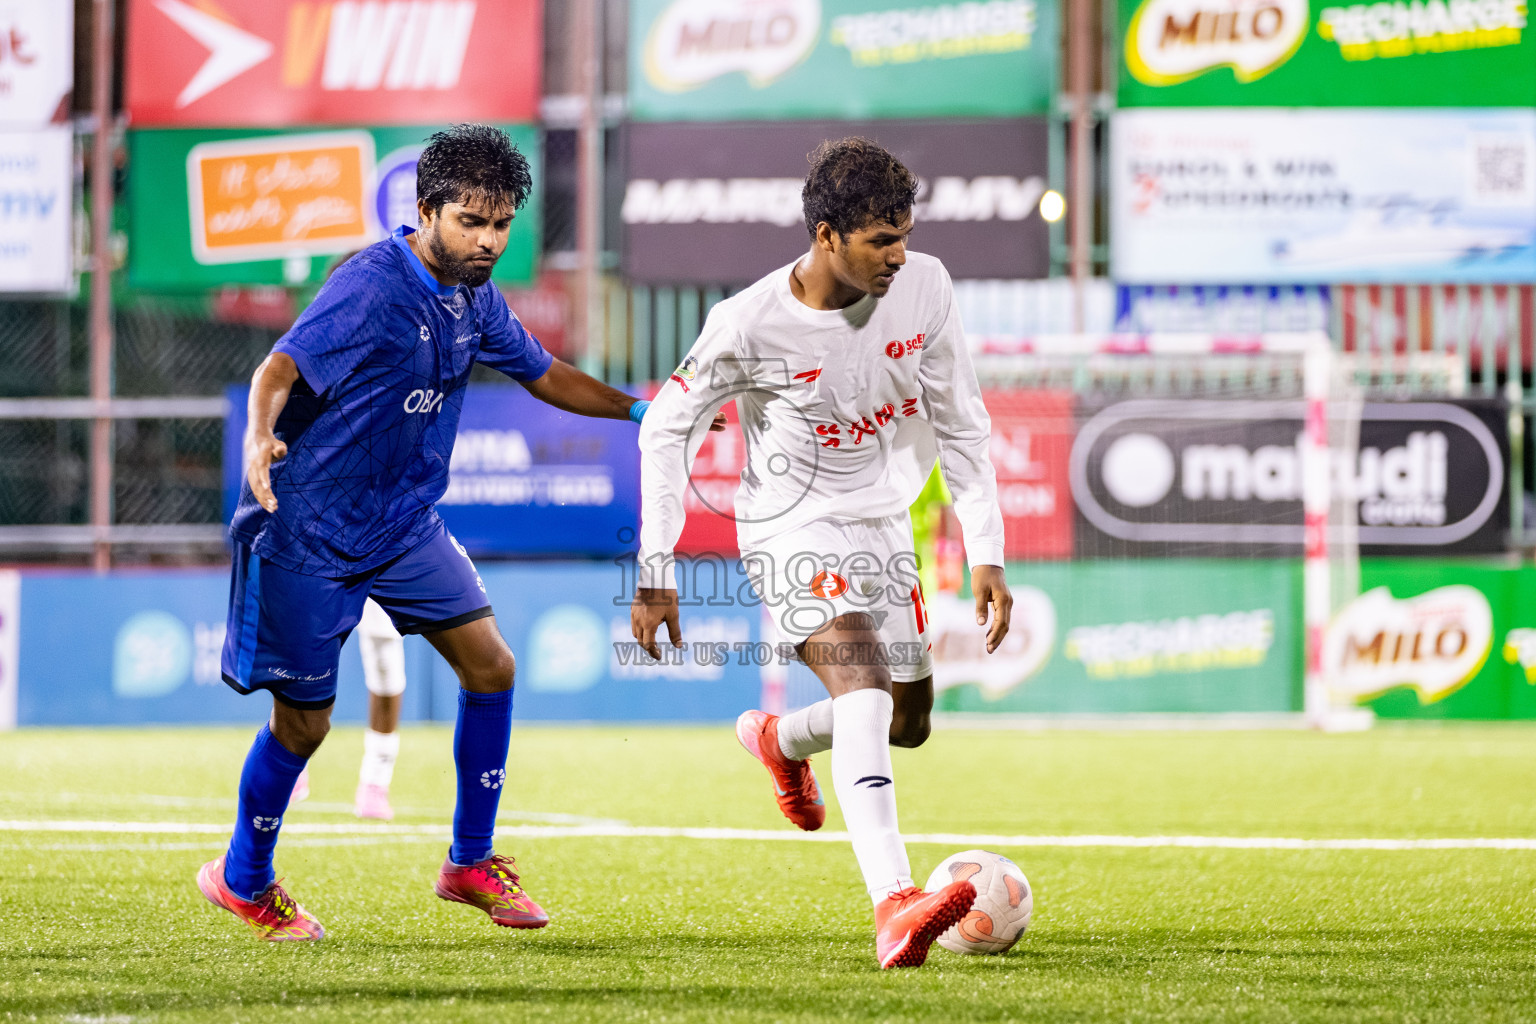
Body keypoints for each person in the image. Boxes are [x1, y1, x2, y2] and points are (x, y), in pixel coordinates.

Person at [198, 124, 658, 942]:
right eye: (471, 222)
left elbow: (544, 373)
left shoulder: (475, 296)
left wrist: (641, 412)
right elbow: (280, 367)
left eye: (501, 223)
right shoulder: (373, 285)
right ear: (426, 211)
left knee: (492, 665)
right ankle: (243, 877)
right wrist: (258, 435)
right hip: (308, 528)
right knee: (304, 725)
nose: (489, 241)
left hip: (403, 523)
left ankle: (469, 862)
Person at [631, 138, 1014, 970]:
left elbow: (962, 420)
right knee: (864, 684)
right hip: (788, 529)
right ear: (827, 235)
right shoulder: (747, 323)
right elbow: (664, 430)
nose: (898, 255)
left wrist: (986, 547)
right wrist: (656, 567)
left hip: (883, 524)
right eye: (881, 240)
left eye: (904, 236)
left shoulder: (927, 288)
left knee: (907, 721)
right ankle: (894, 903)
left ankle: (782, 741)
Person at [285, 597, 408, 821]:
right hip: (323, 574)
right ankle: (292, 759)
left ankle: (376, 779)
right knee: (307, 642)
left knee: (385, 658)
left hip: (378, 573)